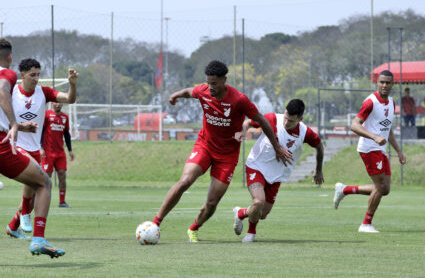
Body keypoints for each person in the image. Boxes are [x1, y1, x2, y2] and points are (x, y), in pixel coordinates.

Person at [151, 60, 293, 242]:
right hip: (205, 146)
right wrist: (175, 95)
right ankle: (155, 223)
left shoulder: (239, 100)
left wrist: (277, 147)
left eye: (214, 83)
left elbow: (262, 120)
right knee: (185, 180)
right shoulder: (203, 90)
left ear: (224, 80)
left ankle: (194, 228)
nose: (210, 87)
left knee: (211, 203)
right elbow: (189, 92)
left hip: (227, 156)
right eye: (208, 82)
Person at [0, 39, 65, 257]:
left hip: (28, 144)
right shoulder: (7, 74)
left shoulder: (42, 93)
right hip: (4, 145)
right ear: (10, 57)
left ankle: (17, 221)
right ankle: (38, 239)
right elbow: (2, 91)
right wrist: (14, 124)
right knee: (44, 182)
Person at [232, 99, 324, 242]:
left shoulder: (305, 132)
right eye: (286, 118)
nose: (286, 123)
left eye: (291, 121)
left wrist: (318, 170)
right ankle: (251, 233)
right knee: (258, 202)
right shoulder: (272, 119)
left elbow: (320, 147)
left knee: (262, 214)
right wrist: (243, 132)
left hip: (276, 175)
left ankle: (240, 213)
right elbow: (248, 123)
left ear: (300, 119)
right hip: (256, 165)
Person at [6, 58, 78, 238]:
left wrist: (72, 84)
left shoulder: (43, 93)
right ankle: (25, 218)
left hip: (34, 148)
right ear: (22, 75)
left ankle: (13, 226)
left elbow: (69, 99)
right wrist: (20, 126)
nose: (36, 78)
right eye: (32, 75)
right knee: (37, 184)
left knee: (33, 194)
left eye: (38, 75)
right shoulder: (11, 91)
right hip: (16, 146)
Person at [333, 70, 406, 233]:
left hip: (380, 148)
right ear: (377, 83)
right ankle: (365, 224)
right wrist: (374, 137)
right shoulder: (370, 102)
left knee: (385, 189)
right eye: (382, 82)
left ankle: (345, 190)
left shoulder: (391, 103)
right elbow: (354, 125)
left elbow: (388, 130)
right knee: (380, 187)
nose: (384, 85)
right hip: (369, 148)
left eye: (388, 82)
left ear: (392, 84)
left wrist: (399, 151)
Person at [41, 102, 75, 208]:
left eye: (60, 103)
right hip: (48, 152)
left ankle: (62, 201)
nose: (58, 105)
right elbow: (41, 132)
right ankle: (43, 200)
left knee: (62, 175)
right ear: (52, 104)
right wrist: (40, 147)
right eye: (56, 102)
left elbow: (66, 134)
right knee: (46, 177)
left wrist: (70, 150)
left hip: (60, 152)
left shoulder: (65, 117)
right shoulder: (46, 115)